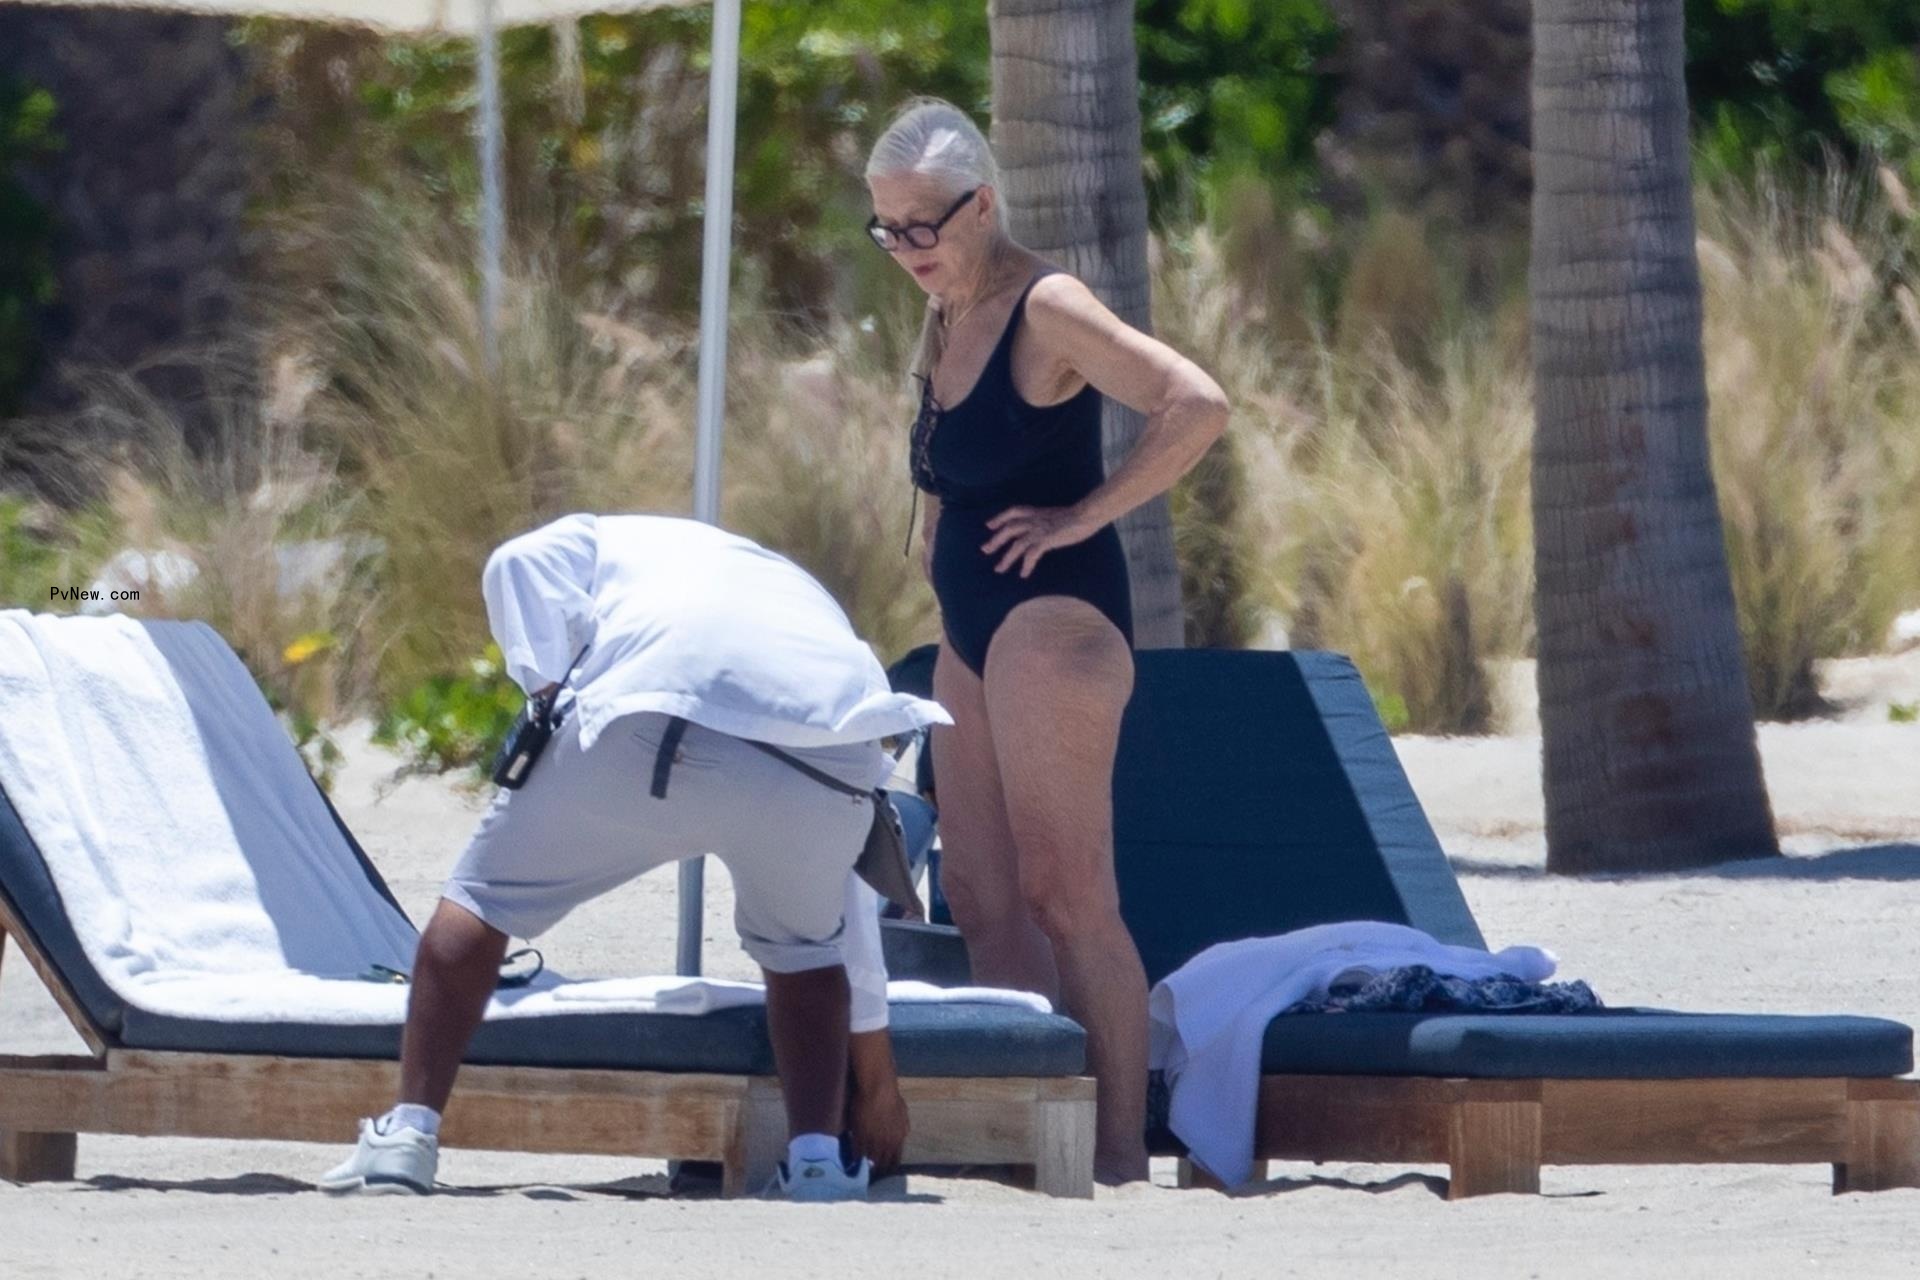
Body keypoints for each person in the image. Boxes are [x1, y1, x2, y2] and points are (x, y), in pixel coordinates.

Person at [320, 513, 951, 1202]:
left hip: (651, 714)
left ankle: (407, 1137)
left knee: (482, 901)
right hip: (831, 748)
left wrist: (542, 687)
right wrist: (879, 1082)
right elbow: (849, 919)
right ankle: (818, 1165)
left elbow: (514, 562)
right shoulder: (791, 597)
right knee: (805, 950)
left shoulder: (591, 538)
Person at [863, 99, 1231, 1184]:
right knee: (979, 897)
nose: (906, 250)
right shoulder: (943, 311)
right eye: (886, 230)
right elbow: (954, 470)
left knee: (1066, 895)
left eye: (923, 227)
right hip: (971, 634)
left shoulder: (1047, 304)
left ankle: (1116, 1149)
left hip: (1054, 624)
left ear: (982, 205)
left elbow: (1195, 402)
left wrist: (1082, 516)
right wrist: (935, 544)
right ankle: (1033, 1127)